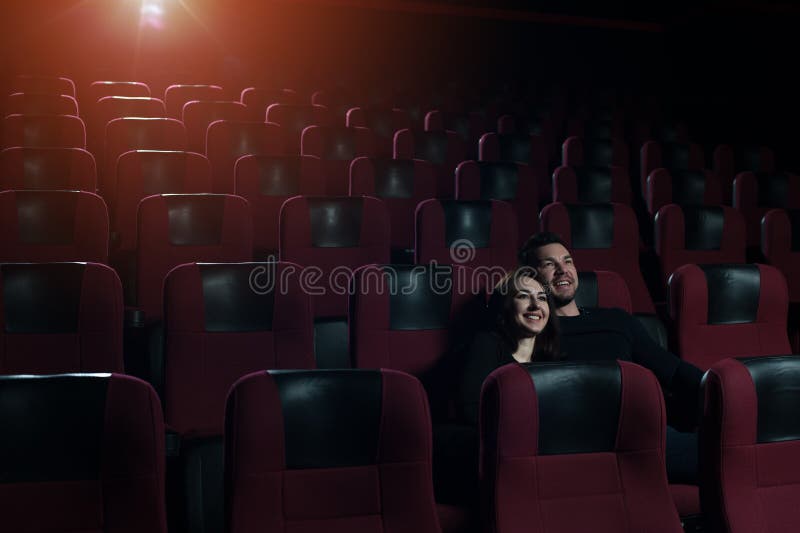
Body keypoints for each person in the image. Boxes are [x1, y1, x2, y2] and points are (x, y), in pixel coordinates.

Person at [518, 231, 703, 483]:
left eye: (568, 261)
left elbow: (676, 371)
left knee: (730, 453)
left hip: (638, 434)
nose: (563, 270)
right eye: (549, 264)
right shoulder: (530, 329)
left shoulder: (616, 320)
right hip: (574, 444)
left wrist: (723, 389)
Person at [458, 265, 560, 426]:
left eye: (542, 298)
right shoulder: (485, 344)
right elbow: (472, 410)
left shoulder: (550, 357)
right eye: (523, 296)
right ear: (504, 306)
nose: (536, 305)